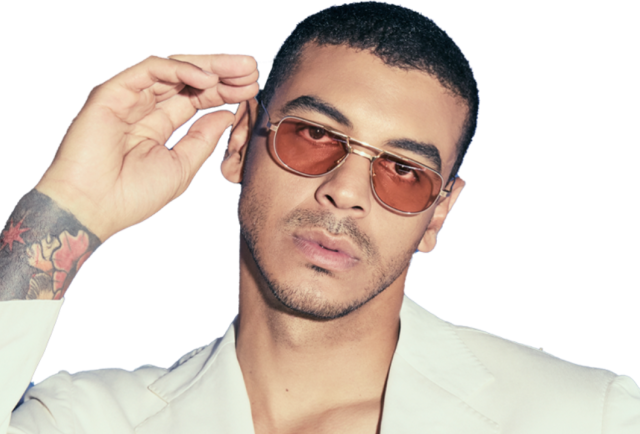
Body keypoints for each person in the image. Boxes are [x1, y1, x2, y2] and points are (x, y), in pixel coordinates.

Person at [1, 2, 639, 433]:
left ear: (438, 213)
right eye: (313, 134)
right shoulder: (89, 421)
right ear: (241, 142)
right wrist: (68, 205)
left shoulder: (588, 418)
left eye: (404, 171)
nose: (345, 192)